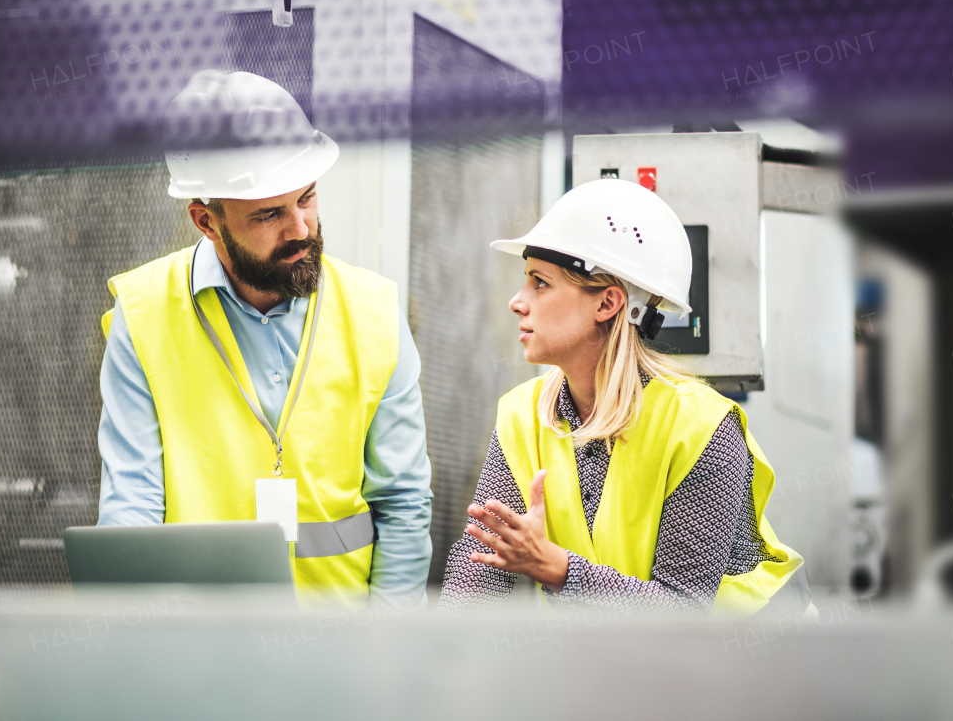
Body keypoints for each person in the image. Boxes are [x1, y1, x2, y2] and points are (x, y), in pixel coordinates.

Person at [96, 70, 433, 608]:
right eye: (269, 214)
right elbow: (131, 507)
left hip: (343, 656)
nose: (300, 228)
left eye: (307, 198)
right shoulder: (142, 315)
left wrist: (384, 656)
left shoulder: (375, 313)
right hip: (198, 655)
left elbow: (402, 506)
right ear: (207, 221)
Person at [438, 178, 808, 614]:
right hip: (629, 664)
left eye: (539, 283)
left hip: (758, 666)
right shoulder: (523, 417)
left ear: (607, 303)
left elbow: (683, 612)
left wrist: (559, 569)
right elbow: (477, 571)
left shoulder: (702, 429)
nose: (517, 302)